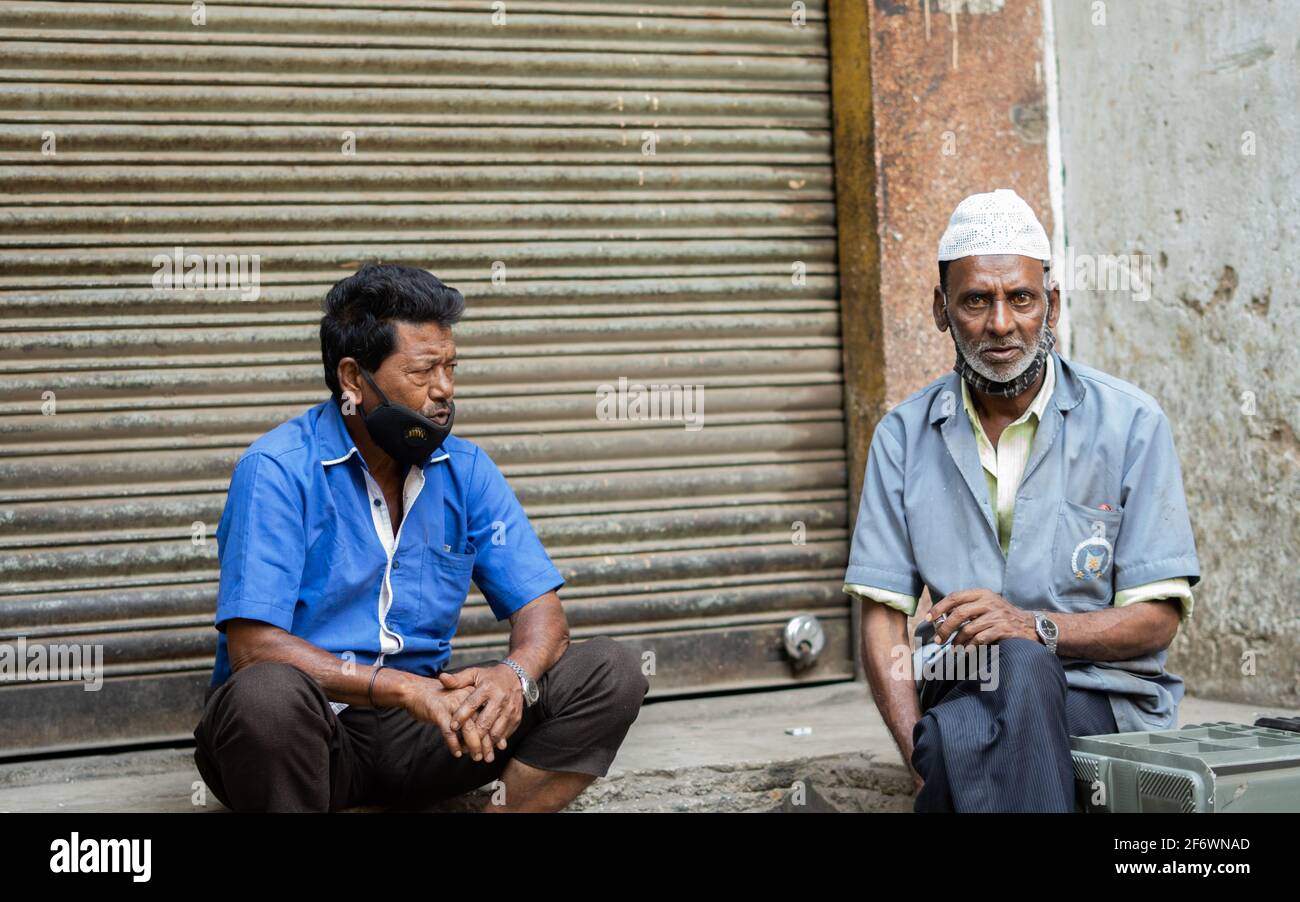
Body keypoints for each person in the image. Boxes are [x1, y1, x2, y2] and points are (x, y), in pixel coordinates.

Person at [193, 263, 648, 812]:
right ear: (353, 379)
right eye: (422, 371)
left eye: (451, 367)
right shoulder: (278, 469)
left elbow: (544, 615)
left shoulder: (465, 469)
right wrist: (407, 690)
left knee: (610, 670)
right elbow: (252, 648)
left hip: (426, 735)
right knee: (264, 696)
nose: (444, 391)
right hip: (314, 737)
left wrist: (513, 676)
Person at [843, 189, 1200, 812]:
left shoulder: (1131, 425)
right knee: (1001, 675)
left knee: (1015, 671)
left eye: (1021, 299)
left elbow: (1157, 618)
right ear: (940, 309)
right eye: (976, 300)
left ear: (1051, 304)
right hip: (962, 683)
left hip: (1101, 698)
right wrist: (911, 752)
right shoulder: (901, 437)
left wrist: (1031, 629)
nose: (1001, 324)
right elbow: (882, 618)